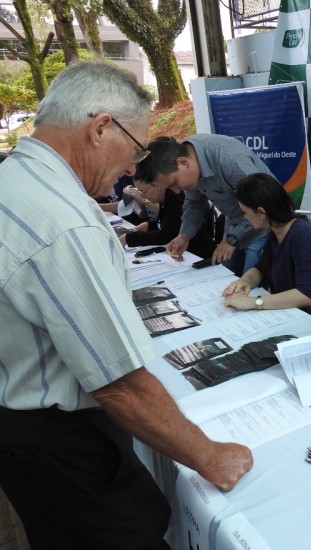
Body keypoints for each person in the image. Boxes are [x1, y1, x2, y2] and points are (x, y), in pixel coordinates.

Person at [0, 60, 253, 549]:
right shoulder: (66, 224)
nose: (135, 170)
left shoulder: (15, 179)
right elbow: (120, 382)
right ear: (100, 128)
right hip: (58, 440)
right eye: (136, 149)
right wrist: (208, 455)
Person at [135, 134, 275, 276]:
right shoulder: (186, 157)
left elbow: (261, 207)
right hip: (234, 226)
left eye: (174, 184)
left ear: (183, 162)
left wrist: (231, 239)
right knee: (225, 278)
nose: (176, 191)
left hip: (263, 227)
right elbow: (193, 203)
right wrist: (184, 235)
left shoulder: (230, 160)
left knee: (250, 283)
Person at [222, 173, 311, 318]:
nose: (244, 217)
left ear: (261, 212)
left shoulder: (302, 235)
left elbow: (306, 295)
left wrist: (253, 302)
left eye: (245, 212)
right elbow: (262, 268)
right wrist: (245, 281)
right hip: (294, 314)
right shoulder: (275, 230)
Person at [121, 178, 216, 259]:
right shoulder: (165, 197)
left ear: (157, 186)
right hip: (185, 254)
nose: (141, 196)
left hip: (200, 255)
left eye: (143, 191)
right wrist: (149, 225)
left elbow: (167, 235)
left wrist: (128, 239)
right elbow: (168, 223)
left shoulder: (177, 197)